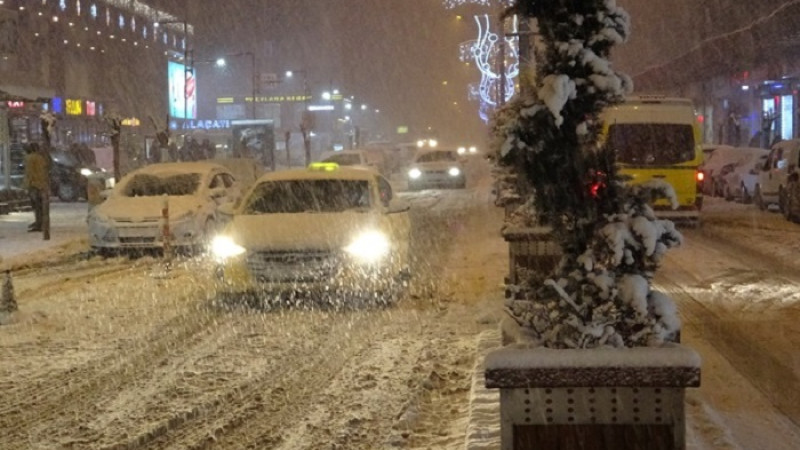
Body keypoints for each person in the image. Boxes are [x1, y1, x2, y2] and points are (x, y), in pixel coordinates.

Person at [22, 143, 48, 232]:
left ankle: (38, 223)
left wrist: (26, 184)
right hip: (41, 184)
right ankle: (41, 222)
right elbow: (44, 170)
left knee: (36, 205)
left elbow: (29, 173)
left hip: (33, 184)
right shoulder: (40, 158)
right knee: (40, 205)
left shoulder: (29, 158)